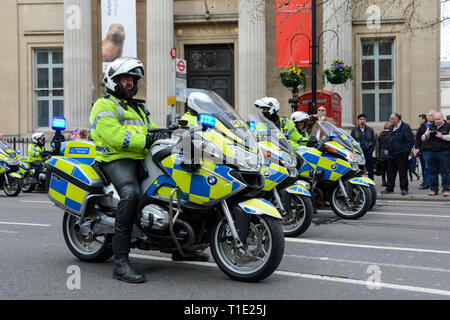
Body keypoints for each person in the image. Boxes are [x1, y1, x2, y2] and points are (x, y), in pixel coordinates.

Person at [89, 57, 208, 284]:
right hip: (116, 159)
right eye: (125, 79)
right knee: (131, 194)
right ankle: (121, 262)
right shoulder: (103, 105)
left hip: (141, 157)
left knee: (178, 186)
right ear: (113, 81)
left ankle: (182, 246)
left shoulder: (138, 108)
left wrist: (167, 132)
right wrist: (147, 138)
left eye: (133, 80)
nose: (130, 84)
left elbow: (149, 130)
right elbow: (114, 136)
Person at [381, 113, 415, 196]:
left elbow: (410, 141)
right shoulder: (391, 127)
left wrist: (405, 152)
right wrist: (387, 149)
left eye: (392, 118)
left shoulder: (405, 127)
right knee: (390, 172)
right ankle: (390, 188)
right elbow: (390, 140)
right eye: (390, 118)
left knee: (402, 173)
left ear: (397, 119)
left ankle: (404, 189)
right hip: (391, 154)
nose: (390, 120)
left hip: (401, 154)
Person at [421, 112, 450, 196]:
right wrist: (426, 135)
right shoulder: (431, 127)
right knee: (432, 172)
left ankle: (446, 189)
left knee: (445, 172)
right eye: (435, 119)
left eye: (438, 119)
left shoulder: (447, 126)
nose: (437, 121)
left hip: (444, 152)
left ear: (442, 118)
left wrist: (442, 136)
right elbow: (422, 138)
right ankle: (434, 189)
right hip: (432, 152)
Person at [351, 114, 376, 180]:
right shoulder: (354, 130)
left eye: (363, 119)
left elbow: (374, 142)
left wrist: (370, 151)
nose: (362, 121)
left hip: (368, 152)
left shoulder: (370, 129)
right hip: (358, 153)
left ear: (365, 120)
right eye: (361, 119)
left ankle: (371, 184)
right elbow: (351, 141)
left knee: (370, 169)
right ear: (358, 120)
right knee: (358, 169)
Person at [375, 122, 391, 187]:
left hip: (382, 153)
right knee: (389, 169)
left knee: (383, 169)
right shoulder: (391, 134)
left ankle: (383, 181)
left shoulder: (381, 134)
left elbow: (379, 146)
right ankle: (390, 181)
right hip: (389, 153)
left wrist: (378, 155)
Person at [414, 114, 428, 188]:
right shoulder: (421, 127)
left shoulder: (425, 127)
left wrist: (418, 148)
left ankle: (427, 182)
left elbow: (419, 139)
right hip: (421, 150)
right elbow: (417, 139)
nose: (419, 120)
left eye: (420, 119)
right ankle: (425, 181)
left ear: (424, 119)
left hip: (424, 149)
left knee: (426, 167)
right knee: (423, 167)